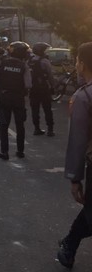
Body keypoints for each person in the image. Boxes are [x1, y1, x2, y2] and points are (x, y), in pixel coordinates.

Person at [57, 42, 92, 269]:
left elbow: (78, 141)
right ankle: (70, 243)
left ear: (81, 63)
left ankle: (70, 242)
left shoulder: (84, 96)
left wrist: (74, 177)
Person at [0, 41, 32, 160]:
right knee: (20, 125)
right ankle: (20, 151)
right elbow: (28, 84)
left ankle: (4, 152)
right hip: (18, 98)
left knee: (4, 125)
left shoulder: (2, 63)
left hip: (4, 98)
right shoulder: (24, 66)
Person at [28, 42, 55, 136]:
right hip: (43, 88)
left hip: (33, 89)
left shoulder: (30, 60)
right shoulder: (44, 61)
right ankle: (50, 130)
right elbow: (50, 76)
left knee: (35, 110)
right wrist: (53, 86)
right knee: (47, 109)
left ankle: (36, 129)